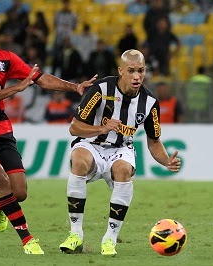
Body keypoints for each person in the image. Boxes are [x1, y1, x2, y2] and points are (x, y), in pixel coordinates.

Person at [0, 4, 96, 255]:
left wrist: (75, 87)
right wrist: (17, 88)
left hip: (1, 130)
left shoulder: (4, 58)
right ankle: (28, 240)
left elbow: (40, 78)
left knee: (19, 192)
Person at [58, 49, 181, 256]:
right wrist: (102, 129)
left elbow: (154, 141)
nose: (136, 76)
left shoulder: (149, 103)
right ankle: (75, 234)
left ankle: (110, 239)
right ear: (121, 71)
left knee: (123, 170)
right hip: (91, 142)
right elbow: (74, 128)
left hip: (121, 148)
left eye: (141, 71)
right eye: (131, 70)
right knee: (79, 160)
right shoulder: (101, 88)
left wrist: (166, 160)